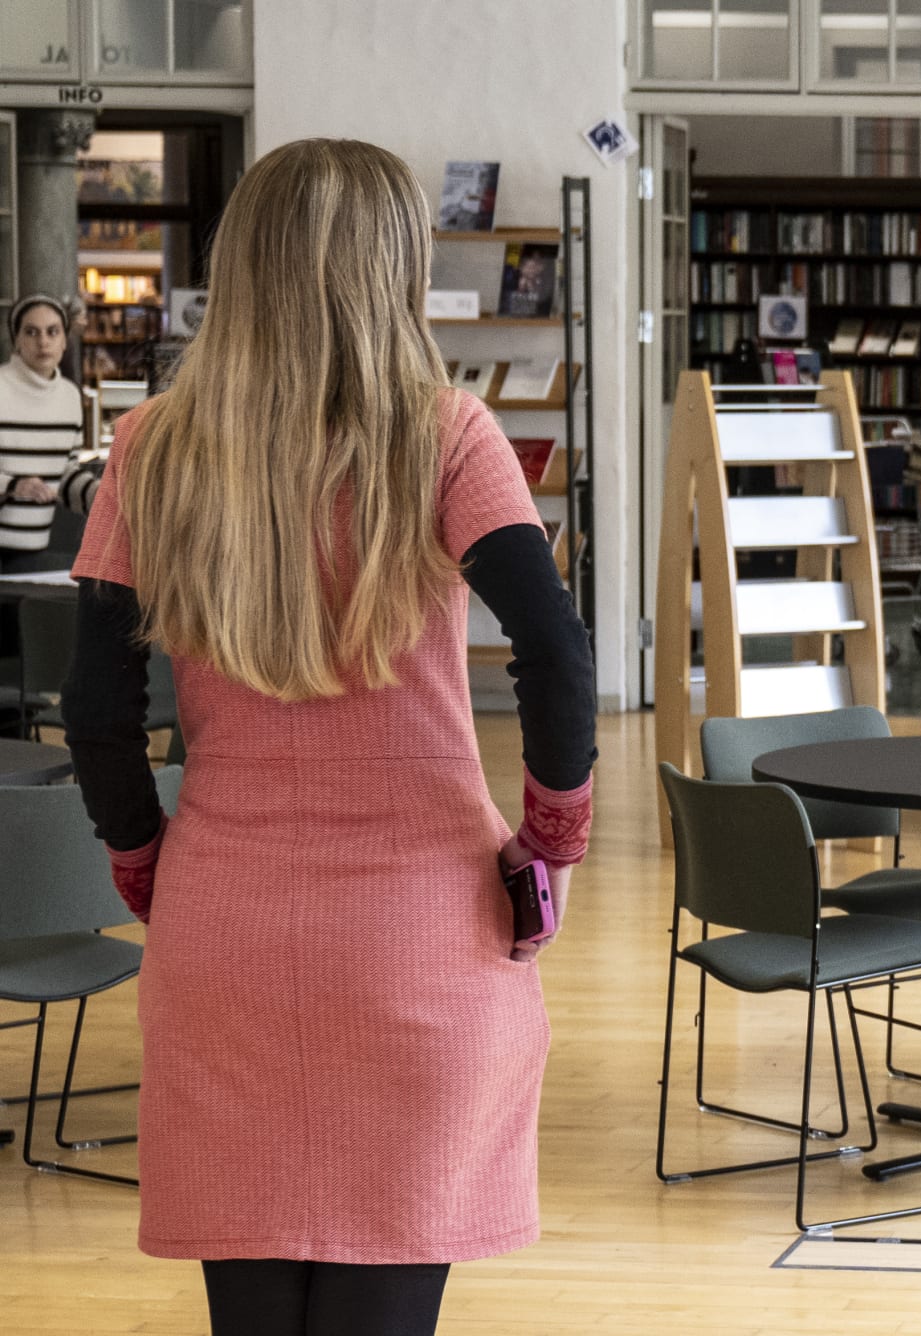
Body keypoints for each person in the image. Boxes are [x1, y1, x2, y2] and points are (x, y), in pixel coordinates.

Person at [58, 138, 594, 1336]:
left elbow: (96, 706)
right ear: (395, 270)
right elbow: (557, 652)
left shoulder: (153, 445)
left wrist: (144, 856)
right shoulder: (447, 434)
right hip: (424, 930)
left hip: (226, 921)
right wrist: (552, 837)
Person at [1, 293, 95, 569]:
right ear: (16, 339)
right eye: (31, 332)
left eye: (52, 332)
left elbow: (64, 474)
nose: (43, 341)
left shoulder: (69, 397)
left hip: (32, 554)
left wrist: (100, 496)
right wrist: (14, 486)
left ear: (64, 341)